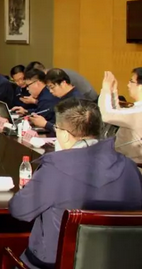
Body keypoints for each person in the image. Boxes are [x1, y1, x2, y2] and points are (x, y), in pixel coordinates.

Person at [9, 98, 142, 269]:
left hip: (54, 264)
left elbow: (20, 210)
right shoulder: (130, 168)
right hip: (120, 263)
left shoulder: (54, 169)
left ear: (64, 134)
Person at [99, 68, 142, 164]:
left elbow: (107, 115)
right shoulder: (137, 109)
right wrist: (112, 91)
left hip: (133, 165)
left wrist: (106, 88)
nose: (128, 85)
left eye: (131, 81)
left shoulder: (139, 112)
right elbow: (116, 114)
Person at [29, 69, 82, 134]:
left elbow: (69, 131)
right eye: (49, 88)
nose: (50, 91)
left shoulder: (75, 100)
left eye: (52, 87)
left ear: (63, 83)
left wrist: (45, 124)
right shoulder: (63, 97)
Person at [27, 61, 98, 102]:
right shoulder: (55, 74)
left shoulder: (58, 76)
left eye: (51, 87)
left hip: (88, 98)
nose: (51, 91)